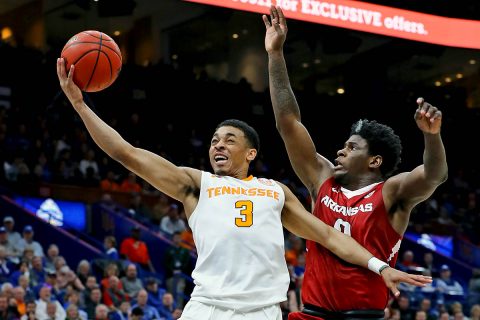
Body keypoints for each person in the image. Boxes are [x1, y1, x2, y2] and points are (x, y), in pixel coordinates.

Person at [57, 58, 430, 320]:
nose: (218, 145)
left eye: (229, 140)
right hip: (206, 307)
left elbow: (330, 238)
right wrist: (80, 104)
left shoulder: (275, 192)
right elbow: (128, 154)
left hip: (262, 312)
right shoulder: (196, 184)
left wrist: (381, 267)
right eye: (215, 140)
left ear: (250, 152)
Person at [263, 6, 448, 319]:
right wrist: (275, 54)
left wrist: (432, 136)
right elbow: (287, 122)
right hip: (313, 312)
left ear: (374, 160)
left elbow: (434, 176)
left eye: (351, 147)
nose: (340, 151)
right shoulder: (322, 178)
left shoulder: (390, 192)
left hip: (363, 314)